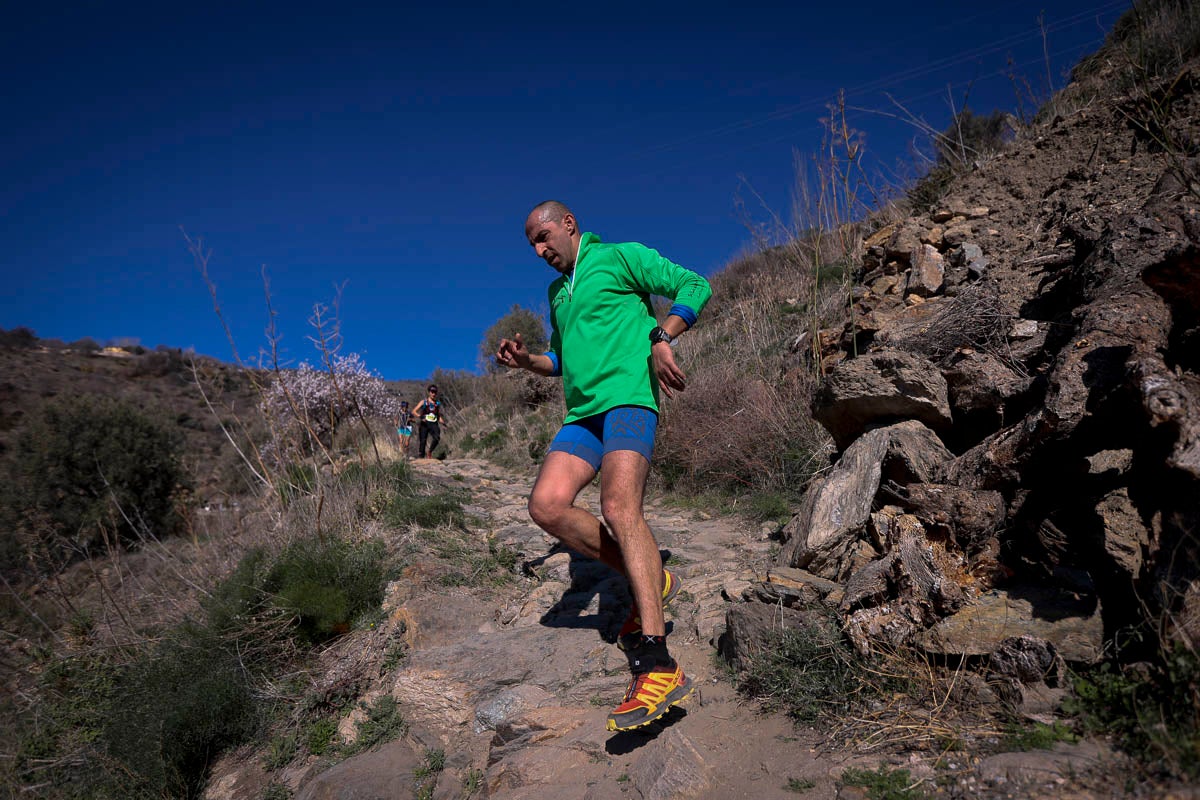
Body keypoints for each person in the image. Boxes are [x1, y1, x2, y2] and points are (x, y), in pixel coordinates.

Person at [495, 200, 711, 732]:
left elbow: (694, 284)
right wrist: (527, 362)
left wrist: (662, 336)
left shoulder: (620, 257)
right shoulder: (557, 293)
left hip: (629, 399)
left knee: (618, 506)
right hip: (582, 414)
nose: (539, 250)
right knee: (546, 506)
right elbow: (561, 358)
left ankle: (658, 662)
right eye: (531, 245)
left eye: (543, 236)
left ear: (569, 224)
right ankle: (652, 576)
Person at [412, 385, 445, 459]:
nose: (433, 394)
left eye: (435, 392)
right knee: (423, 441)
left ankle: (429, 451)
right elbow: (414, 411)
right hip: (424, 423)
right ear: (429, 392)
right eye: (432, 392)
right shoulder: (423, 402)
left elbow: (438, 415)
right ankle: (421, 457)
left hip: (434, 423)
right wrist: (420, 417)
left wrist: (443, 423)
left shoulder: (437, 403)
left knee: (437, 437)